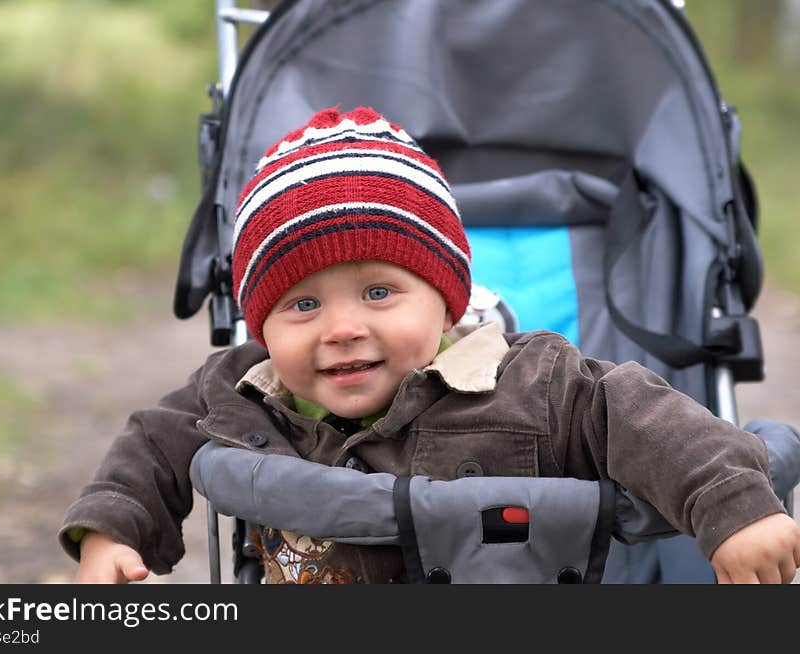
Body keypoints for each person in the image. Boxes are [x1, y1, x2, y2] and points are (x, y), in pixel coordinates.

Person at [59, 106, 800, 584]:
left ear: (447, 301)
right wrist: (111, 530)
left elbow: (646, 417)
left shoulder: (529, 381)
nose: (342, 328)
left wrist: (734, 503)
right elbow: (155, 441)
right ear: (260, 324)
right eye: (302, 304)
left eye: (379, 293)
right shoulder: (245, 389)